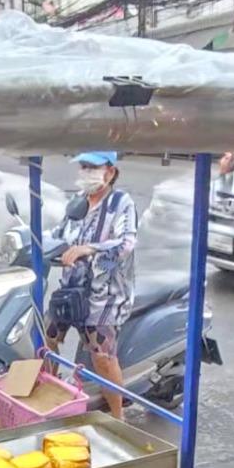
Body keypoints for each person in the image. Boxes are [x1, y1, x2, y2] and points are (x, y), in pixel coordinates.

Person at [44, 151, 139, 417]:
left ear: (110, 171)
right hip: (71, 289)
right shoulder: (77, 202)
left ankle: (118, 416)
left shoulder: (121, 203)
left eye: (92, 167)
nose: (86, 172)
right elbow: (59, 234)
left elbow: (126, 244)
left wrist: (89, 248)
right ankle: (47, 401)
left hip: (106, 295)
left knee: (103, 358)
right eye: (83, 166)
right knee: (47, 339)